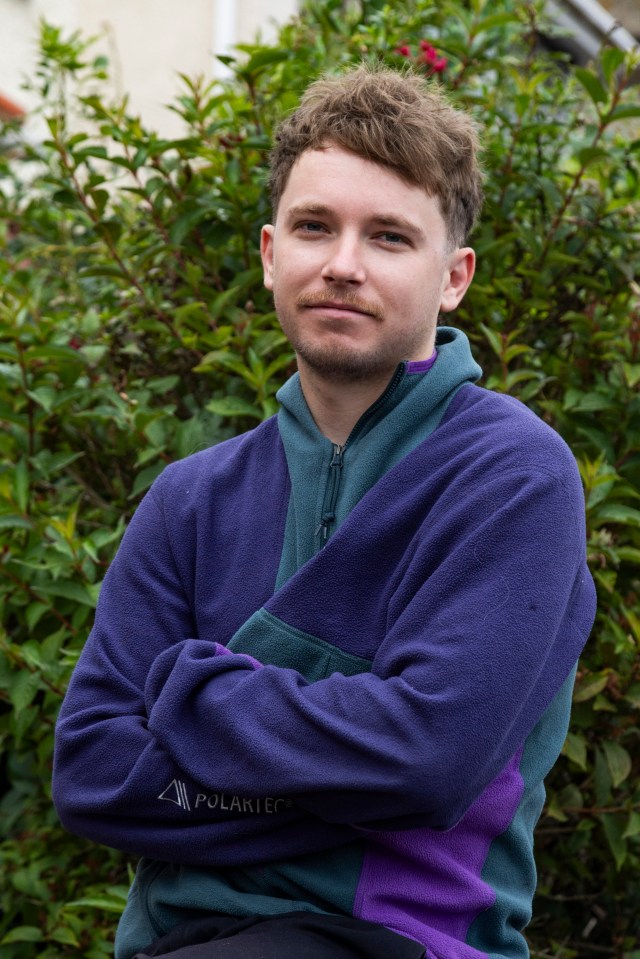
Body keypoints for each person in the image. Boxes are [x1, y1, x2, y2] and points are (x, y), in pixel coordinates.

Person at [53, 65, 596, 959]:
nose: (343, 264)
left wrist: (191, 697)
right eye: (315, 227)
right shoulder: (191, 498)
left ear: (453, 276)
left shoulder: (510, 476)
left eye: (388, 237)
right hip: (177, 942)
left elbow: (428, 762)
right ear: (271, 254)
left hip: (404, 939)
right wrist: (354, 785)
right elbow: (94, 774)